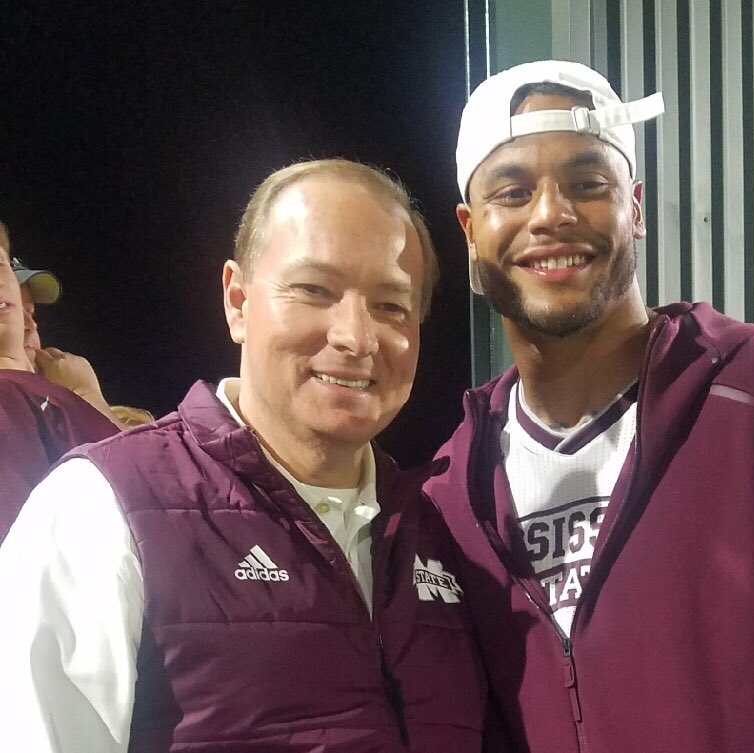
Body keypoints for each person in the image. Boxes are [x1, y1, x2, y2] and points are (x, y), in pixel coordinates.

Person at [425, 60, 754, 752]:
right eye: (513, 191)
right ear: (470, 231)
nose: (551, 214)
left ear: (635, 208)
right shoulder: (451, 496)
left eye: (587, 184)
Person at [0, 159, 485, 752]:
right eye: (314, 290)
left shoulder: (437, 532)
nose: (356, 337)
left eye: (391, 306)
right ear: (237, 300)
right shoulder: (98, 510)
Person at [0, 235, 118, 541]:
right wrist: (84, 393)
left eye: (31, 312)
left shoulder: (61, 407)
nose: (29, 325)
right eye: (15, 309)